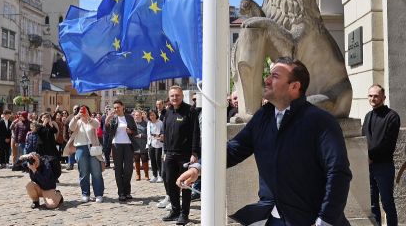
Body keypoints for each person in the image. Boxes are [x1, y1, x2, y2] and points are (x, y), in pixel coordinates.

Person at [177, 57, 352, 226]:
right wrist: (199, 168)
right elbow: (234, 149)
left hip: (309, 219)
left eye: (275, 76)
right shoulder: (263, 116)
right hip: (271, 218)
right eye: (269, 74)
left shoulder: (321, 122)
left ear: (294, 86)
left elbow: (337, 173)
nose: (267, 80)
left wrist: (324, 221)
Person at [162, 85, 200, 225]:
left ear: (182, 96)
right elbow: (166, 133)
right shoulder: (168, 111)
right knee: (170, 183)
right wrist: (165, 151)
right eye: (172, 96)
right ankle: (175, 210)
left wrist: (194, 153)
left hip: (185, 155)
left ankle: (184, 214)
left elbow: (196, 133)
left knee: (185, 184)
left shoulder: (190, 110)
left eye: (177, 95)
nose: (174, 98)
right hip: (170, 154)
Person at [362, 84, 400, 226]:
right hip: (368, 167)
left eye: (376, 96)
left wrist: (370, 157)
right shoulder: (367, 116)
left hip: (383, 166)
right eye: (370, 95)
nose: (373, 98)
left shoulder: (392, 117)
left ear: (383, 97)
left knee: (387, 202)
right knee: (372, 205)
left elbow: (388, 145)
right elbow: (363, 141)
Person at [68, 105, 105, 203]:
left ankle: (99, 194)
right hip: (81, 148)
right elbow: (71, 128)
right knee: (83, 173)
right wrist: (76, 117)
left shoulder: (92, 121)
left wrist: (88, 118)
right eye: (81, 111)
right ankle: (85, 193)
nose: (83, 113)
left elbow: (97, 126)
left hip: (93, 148)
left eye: (85, 111)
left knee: (96, 172)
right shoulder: (77, 121)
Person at [105, 100, 138, 202]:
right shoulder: (114, 118)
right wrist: (107, 122)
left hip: (128, 145)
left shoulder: (129, 117)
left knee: (128, 169)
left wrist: (130, 131)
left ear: (123, 107)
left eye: (118, 107)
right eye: (114, 108)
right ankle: (121, 193)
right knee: (118, 169)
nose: (116, 109)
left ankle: (127, 191)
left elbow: (135, 131)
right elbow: (109, 132)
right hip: (117, 145)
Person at [147, 110, 163, 183]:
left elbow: (163, 132)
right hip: (151, 143)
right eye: (150, 115)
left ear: (156, 115)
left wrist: (160, 136)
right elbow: (148, 134)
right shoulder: (149, 123)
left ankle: (160, 175)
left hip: (158, 143)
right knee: (152, 160)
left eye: (153, 115)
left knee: (158, 160)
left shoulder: (160, 123)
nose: (152, 117)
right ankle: (154, 175)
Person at [132, 110, 149, 181]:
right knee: (136, 160)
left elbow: (149, 134)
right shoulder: (132, 124)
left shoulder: (146, 123)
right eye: (136, 115)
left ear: (141, 115)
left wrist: (141, 135)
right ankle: (138, 174)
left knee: (144, 159)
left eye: (138, 115)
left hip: (143, 144)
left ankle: (146, 174)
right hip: (135, 145)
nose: (137, 116)